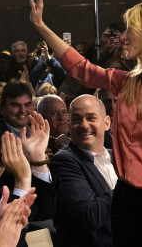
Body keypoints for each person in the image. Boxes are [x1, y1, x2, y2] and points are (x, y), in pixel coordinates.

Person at [29, 0, 142, 246]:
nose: (123, 37)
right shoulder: (126, 83)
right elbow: (80, 68)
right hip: (126, 202)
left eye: (131, 30)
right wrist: (41, 26)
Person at [50, 95, 117, 247]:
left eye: (91, 118)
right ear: (68, 124)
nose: (84, 125)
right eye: (76, 119)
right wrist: (129, 183)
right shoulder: (64, 161)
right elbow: (91, 214)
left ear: (107, 123)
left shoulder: (118, 157)